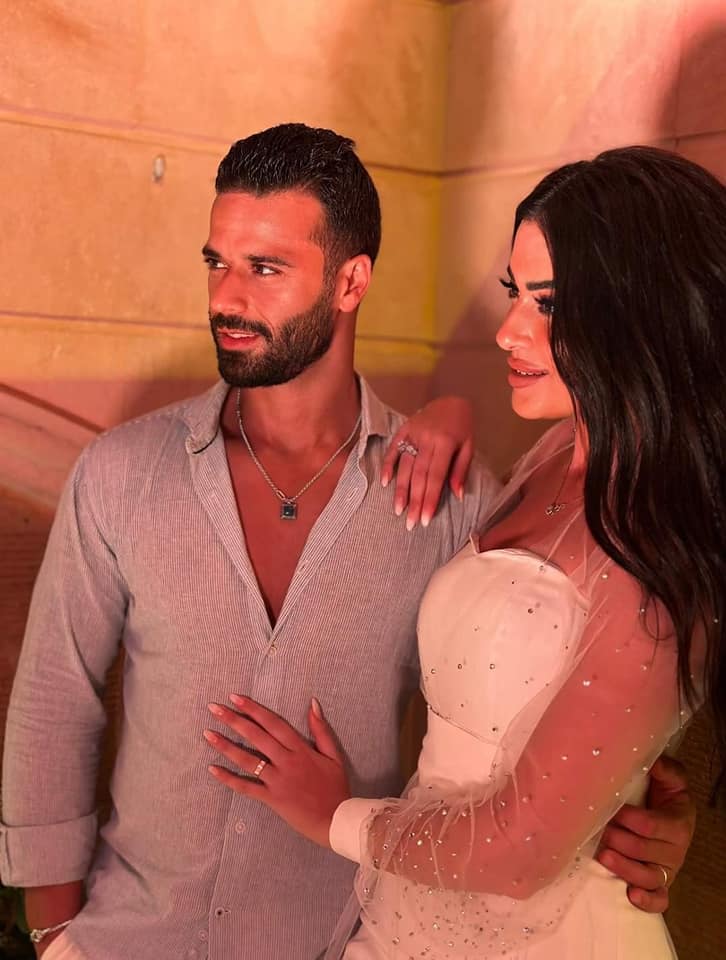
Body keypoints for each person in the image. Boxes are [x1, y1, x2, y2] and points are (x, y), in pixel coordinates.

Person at [0, 128, 694, 960]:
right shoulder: (122, 474)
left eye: (264, 268)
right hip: (124, 941)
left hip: (338, 939)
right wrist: (53, 934)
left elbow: (547, 689)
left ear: (351, 281)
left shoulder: (455, 500)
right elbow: (54, 702)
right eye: (217, 263)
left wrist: (639, 805)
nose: (226, 298)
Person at [202, 145, 725, 958]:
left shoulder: (656, 544)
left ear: (646, 314)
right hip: (407, 912)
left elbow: (521, 851)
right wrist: (448, 412)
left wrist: (332, 815)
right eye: (516, 293)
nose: (509, 329)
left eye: (550, 304)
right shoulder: (555, 454)